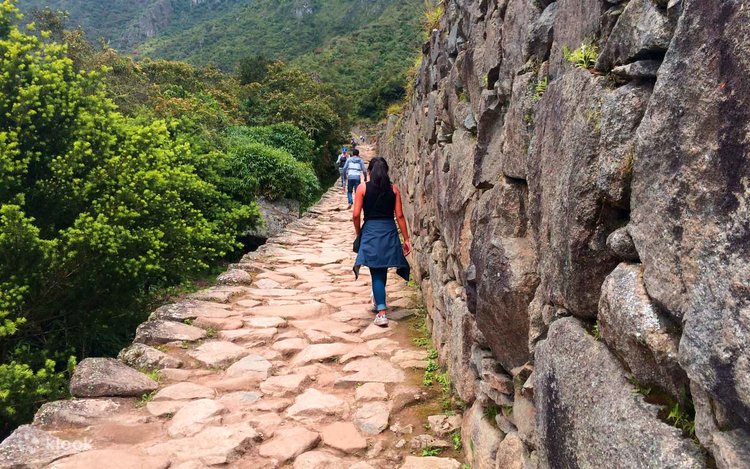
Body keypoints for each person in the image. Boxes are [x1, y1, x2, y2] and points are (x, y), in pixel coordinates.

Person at [352, 157, 411, 327]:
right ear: (386, 171)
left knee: (376, 270)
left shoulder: (363, 188)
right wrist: (406, 238)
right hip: (388, 230)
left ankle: (381, 312)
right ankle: (378, 299)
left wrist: (359, 232)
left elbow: (356, 214)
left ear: (369, 171)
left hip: (371, 231)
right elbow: (399, 215)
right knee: (381, 268)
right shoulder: (394, 189)